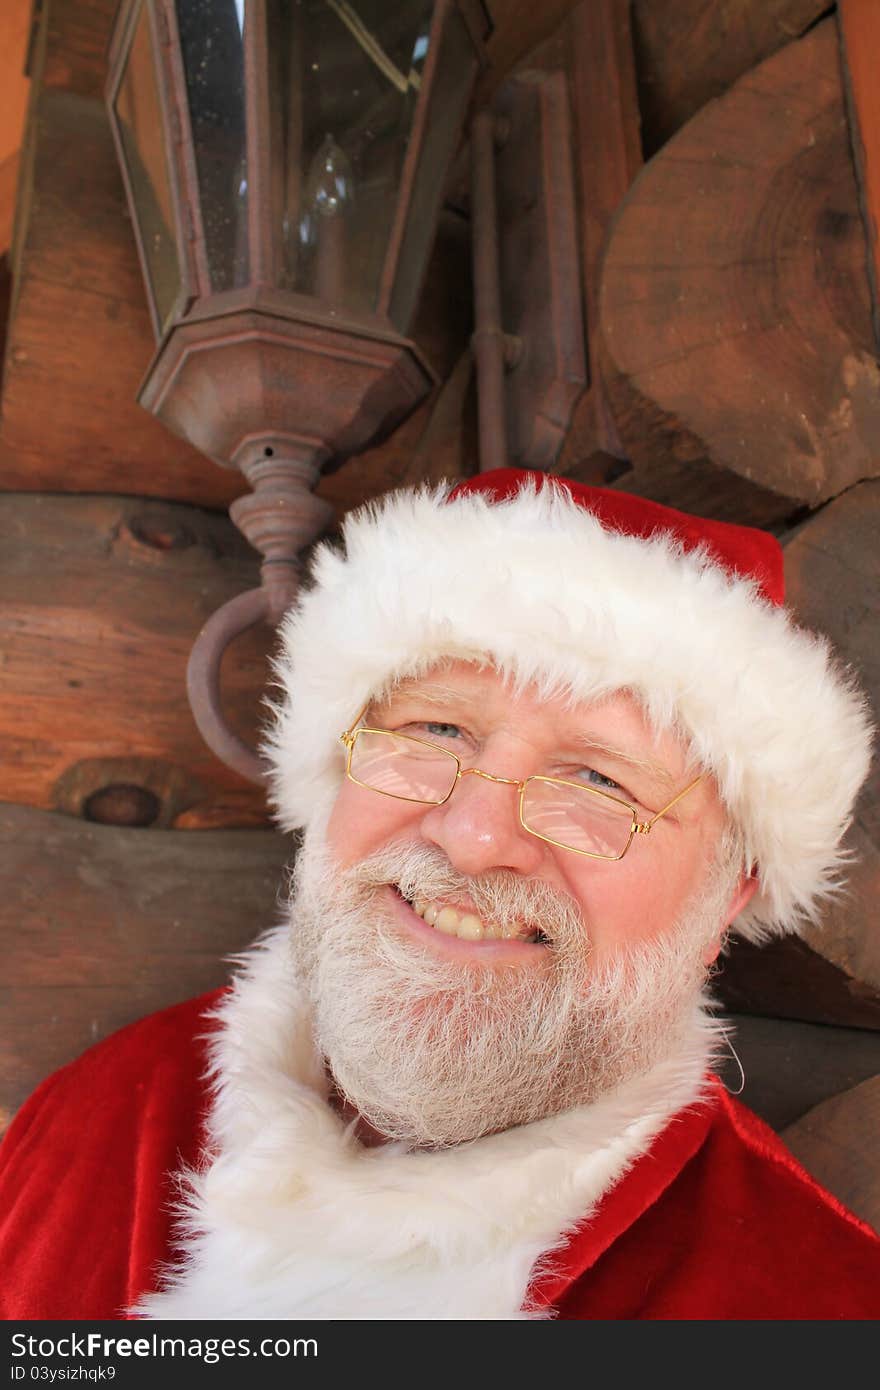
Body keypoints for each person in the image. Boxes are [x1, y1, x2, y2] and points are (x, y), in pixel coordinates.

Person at [2, 467, 879, 1320]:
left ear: (726, 898)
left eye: (600, 783)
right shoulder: (98, 1111)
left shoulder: (816, 1305)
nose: (474, 836)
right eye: (437, 729)